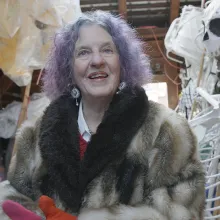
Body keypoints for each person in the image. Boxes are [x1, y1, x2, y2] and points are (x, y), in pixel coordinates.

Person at [0, 10, 205, 220]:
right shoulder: (39, 131)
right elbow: (12, 193)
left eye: (107, 50)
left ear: (123, 61)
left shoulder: (167, 130)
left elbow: (182, 210)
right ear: (68, 68)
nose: (97, 60)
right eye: (83, 52)